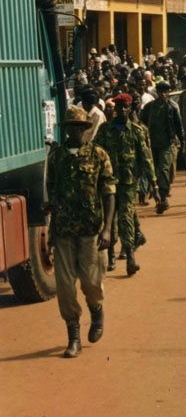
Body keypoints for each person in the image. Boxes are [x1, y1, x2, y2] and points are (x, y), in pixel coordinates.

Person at [45, 106, 116, 358]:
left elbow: (108, 193)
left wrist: (107, 229)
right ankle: (73, 336)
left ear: (86, 129)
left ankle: (96, 311)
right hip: (63, 230)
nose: (75, 132)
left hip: (90, 230)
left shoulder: (98, 155)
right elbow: (51, 189)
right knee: (64, 286)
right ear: (65, 130)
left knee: (91, 282)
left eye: (79, 127)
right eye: (70, 128)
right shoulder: (56, 157)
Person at [93, 94, 156, 274]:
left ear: (131, 109)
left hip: (128, 182)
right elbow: (95, 153)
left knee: (126, 217)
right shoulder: (105, 130)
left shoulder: (137, 131)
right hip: (108, 182)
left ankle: (130, 256)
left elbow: (146, 158)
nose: (121, 110)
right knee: (109, 218)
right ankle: (111, 255)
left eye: (125, 107)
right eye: (118, 107)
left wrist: (153, 183)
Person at [139, 80, 183, 214]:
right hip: (151, 145)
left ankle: (163, 199)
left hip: (167, 144)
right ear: (157, 92)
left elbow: (178, 126)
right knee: (152, 171)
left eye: (166, 92)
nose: (164, 94)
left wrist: (182, 142)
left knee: (163, 170)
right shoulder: (149, 108)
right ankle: (153, 194)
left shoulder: (172, 107)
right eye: (161, 91)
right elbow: (142, 125)